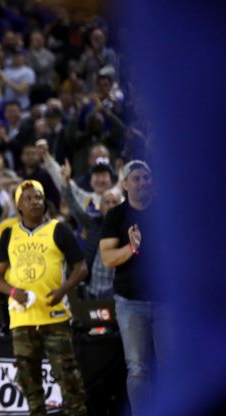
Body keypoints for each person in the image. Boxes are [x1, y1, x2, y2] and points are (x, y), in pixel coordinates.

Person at [0, 180, 88, 415]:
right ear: (19, 206)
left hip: (55, 317)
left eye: (38, 197)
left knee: (69, 381)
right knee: (29, 385)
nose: (34, 202)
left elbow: (81, 268)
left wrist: (63, 290)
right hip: (22, 320)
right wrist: (13, 292)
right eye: (28, 199)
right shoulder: (9, 234)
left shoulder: (59, 229)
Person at [99, 160, 165, 415]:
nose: (142, 182)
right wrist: (132, 248)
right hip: (130, 301)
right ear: (125, 184)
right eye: (136, 178)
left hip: (166, 301)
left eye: (146, 177)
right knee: (137, 368)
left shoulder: (165, 210)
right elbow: (108, 258)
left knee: (172, 366)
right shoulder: (116, 216)